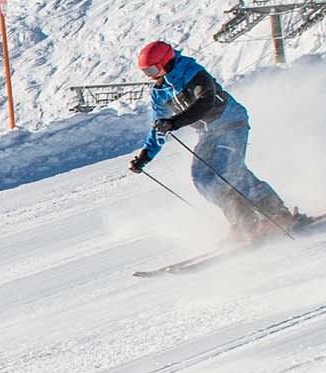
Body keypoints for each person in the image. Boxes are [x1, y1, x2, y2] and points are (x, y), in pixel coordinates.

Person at [127, 40, 301, 239]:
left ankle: (277, 213)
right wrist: (145, 155)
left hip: (231, 123)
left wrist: (174, 122)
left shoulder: (192, 72)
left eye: (151, 69)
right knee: (202, 178)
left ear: (165, 62)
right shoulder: (160, 92)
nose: (149, 76)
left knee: (227, 170)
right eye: (145, 71)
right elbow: (160, 125)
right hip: (208, 134)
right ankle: (244, 221)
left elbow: (205, 102)